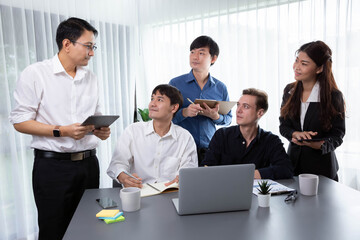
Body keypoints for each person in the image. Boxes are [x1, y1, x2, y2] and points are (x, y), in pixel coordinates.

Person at [9, 17, 110, 240]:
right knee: (53, 230)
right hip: (53, 168)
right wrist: (61, 131)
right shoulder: (35, 74)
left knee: (90, 229)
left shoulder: (91, 78)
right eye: (88, 46)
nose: (92, 53)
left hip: (89, 165)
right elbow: (19, 121)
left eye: (94, 47)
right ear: (67, 44)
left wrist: (100, 130)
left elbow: (96, 116)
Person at [107, 84, 198, 188]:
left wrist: (183, 178)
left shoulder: (185, 137)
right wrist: (123, 176)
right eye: (152, 98)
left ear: (174, 107)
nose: (152, 104)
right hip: (139, 193)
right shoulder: (133, 131)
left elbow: (189, 170)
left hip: (170, 194)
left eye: (159, 100)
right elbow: (117, 163)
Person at [279, 41, 345, 181]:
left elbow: (337, 134)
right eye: (297, 61)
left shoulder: (333, 96)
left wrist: (319, 144)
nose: (296, 67)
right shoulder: (289, 91)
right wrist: (294, 133)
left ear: (319, 68)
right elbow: (284, 126)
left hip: (322, 169)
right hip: (294, 166)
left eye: (304, 64)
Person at [202, 88, 293, 180]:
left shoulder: (271, 140)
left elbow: (286, 169)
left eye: (245, 106)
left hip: (256, 193)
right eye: (238, 105)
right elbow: (207, 168)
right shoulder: (221, 135)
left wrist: (247, 174)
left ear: (260, 113)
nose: (238, 110)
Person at [169, 36, 232, 165]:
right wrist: (185, 112)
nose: (194, 57)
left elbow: (228, 119)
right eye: (192, 52)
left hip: (209, 148)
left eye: (201, 53)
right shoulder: (175, 83)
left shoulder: (220, 87)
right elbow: (165, 116)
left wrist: (215, 116)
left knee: (208, 184)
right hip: (181, 148)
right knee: (182, 185)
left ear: (213, 58)